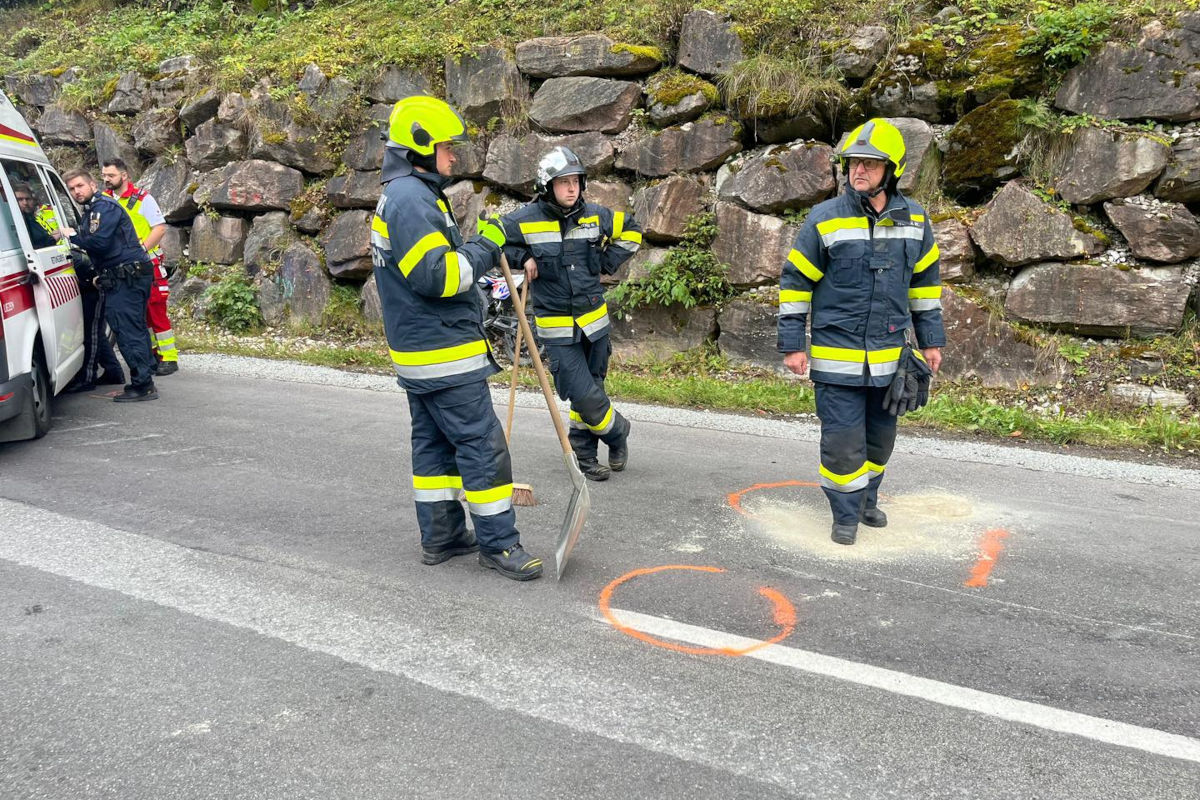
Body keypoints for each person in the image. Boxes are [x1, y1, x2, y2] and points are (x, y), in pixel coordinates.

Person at [370, 94, 543, 581]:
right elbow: (439, 277)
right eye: (446, 146)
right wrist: (488, 244)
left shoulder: (409, 194)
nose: (453, 155)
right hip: (443, 351)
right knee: (481, 445)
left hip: (420, 352)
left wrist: (479, 243)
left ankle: (442, 536)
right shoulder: (410, 200)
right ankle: (499, 544)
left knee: (434, 445)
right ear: (420, 147)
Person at [778, 118, 945, 545]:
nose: (859, 171)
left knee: (879, 440)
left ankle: (867, 499)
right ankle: (845, 514)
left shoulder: (916, 220)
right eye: (854, 163)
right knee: (842, 441)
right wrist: (793, 345)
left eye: (870, 164)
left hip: (890, 358)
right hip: (837, 357)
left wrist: (931, 341)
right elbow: (796, 283)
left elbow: (924, 288)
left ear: (892, 170)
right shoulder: (825, 219)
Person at [498, 146, 641, 481]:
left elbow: (633, 231)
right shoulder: (524, 220)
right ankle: (618, 432)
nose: (572, 188)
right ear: (547, 186)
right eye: (563, 182)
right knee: (581, 392)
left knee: (592, 390)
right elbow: (491, 239)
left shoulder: (595, 215)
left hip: (595, 324)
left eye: (576, 180)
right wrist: (522, 259)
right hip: (557, 326)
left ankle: (586, 456)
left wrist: (607, 261)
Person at [56, 169, 158, 403]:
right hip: (124, 275)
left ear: (92, 184)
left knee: (127, 329)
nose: (76, 191)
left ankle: (143, 385)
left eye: (80, 186)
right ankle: (144, 377)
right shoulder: (94, 208)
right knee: (133, 327)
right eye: (71, 189)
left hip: (127, 277)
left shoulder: (104, 207)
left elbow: (99, 243)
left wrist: (71, 236)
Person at [102, 158, 178, 376]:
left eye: (111, 176)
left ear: (124, 176)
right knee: (139, 313)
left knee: (156, 309)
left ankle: (169, 357)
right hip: (121, 266)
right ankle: (153, 353)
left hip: (148, 264)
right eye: (104, 175)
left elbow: (159, 228)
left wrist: (141, 249)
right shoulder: (105, 199)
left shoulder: (142, 199)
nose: (106, 180)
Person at [12, 182, 57, 249]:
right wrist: (53, 238)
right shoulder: (10, 220)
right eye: (20, 199)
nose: (25, 203)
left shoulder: (31, 218)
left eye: (27, 199)